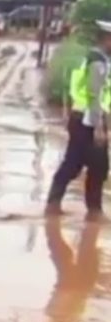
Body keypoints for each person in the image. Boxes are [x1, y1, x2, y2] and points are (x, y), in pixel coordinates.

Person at [46, 20, 111, 221]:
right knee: (95, 165)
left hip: (85, 118)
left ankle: (56, 204)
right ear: (107, 39)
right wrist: (99, 127)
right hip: (87, 120)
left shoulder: (98, 59)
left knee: (79, 163)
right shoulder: (97, 61)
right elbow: (94, 94)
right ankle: (93, 211)